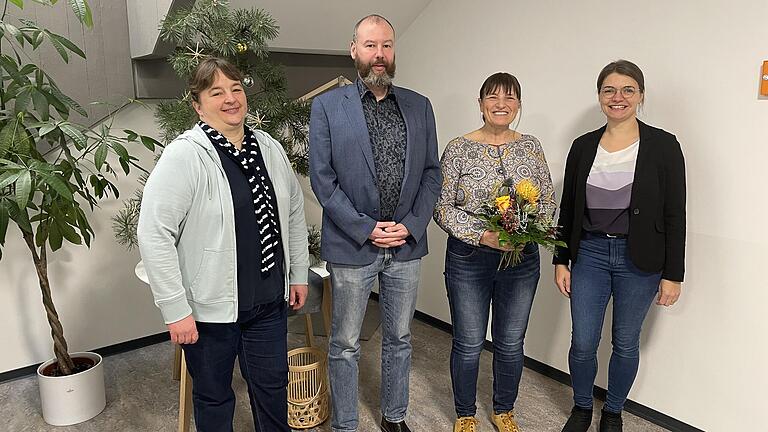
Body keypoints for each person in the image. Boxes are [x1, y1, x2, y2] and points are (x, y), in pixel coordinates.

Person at [137, 57, 309, 432]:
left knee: (272, 389)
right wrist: (176, 310)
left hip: (267, 302)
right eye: (217, 92)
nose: (231, 99)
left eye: (236, 89)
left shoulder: (269, 148)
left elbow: (293, 213)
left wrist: (297, 274)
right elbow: (154, 233)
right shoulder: (184, 155)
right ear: (198, 104)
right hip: (208, 311)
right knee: (214, 397)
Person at [308, 14, 441, 432]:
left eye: (386, 45)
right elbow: (322, 179)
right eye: (370, 46)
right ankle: (346, 423)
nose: (379, 55)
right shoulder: (327, 107)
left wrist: (413, 225)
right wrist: (366, 228)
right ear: (354, 51)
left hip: (405, 245)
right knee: (345, 342)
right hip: (353, 246)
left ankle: (394, 415)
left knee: (400, 338)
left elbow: (432, 173)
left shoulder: (419, 105)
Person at [553, 60, 686, 432]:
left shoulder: (663, 145)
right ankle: (581, 408)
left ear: (641, 95)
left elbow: (676, 213)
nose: (618, 97)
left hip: (640, 260)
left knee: (625, 343)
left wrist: (673, 274)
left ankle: (612, 412)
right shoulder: (582, 147)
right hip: (591, 254)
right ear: (599, 97)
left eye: (628, 89)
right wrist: (561, 259)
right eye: (610, 90)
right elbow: (568, 208)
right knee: (583, 342)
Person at [434, 72, 555, 432]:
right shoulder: (459, 147)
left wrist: (530, 230)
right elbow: (441, 206)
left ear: (518, 104)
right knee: (469, 342)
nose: (501, 104)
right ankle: (465, 414)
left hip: (520, 261)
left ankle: (504, 409)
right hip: (469, 259)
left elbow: (546, 198)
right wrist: (481, 235)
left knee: (510, 342)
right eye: (493, 97)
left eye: (510, 98)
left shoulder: (531, 146)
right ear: (481, 102)